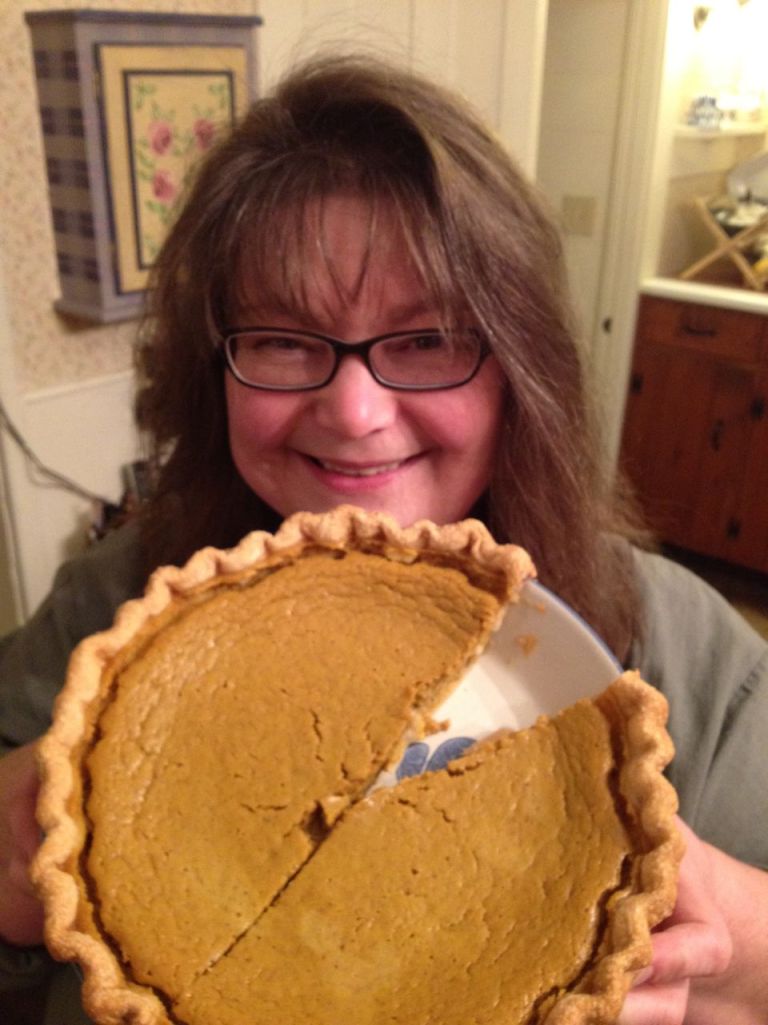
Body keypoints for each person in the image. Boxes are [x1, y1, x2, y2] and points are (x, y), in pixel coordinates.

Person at [0, 52, 766, 1025]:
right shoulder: (104, 611)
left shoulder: (691, 661)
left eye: (427, 339)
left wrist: (733, 947)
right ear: (214, 368)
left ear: (519, 367)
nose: (355, 410)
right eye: (281, 337)